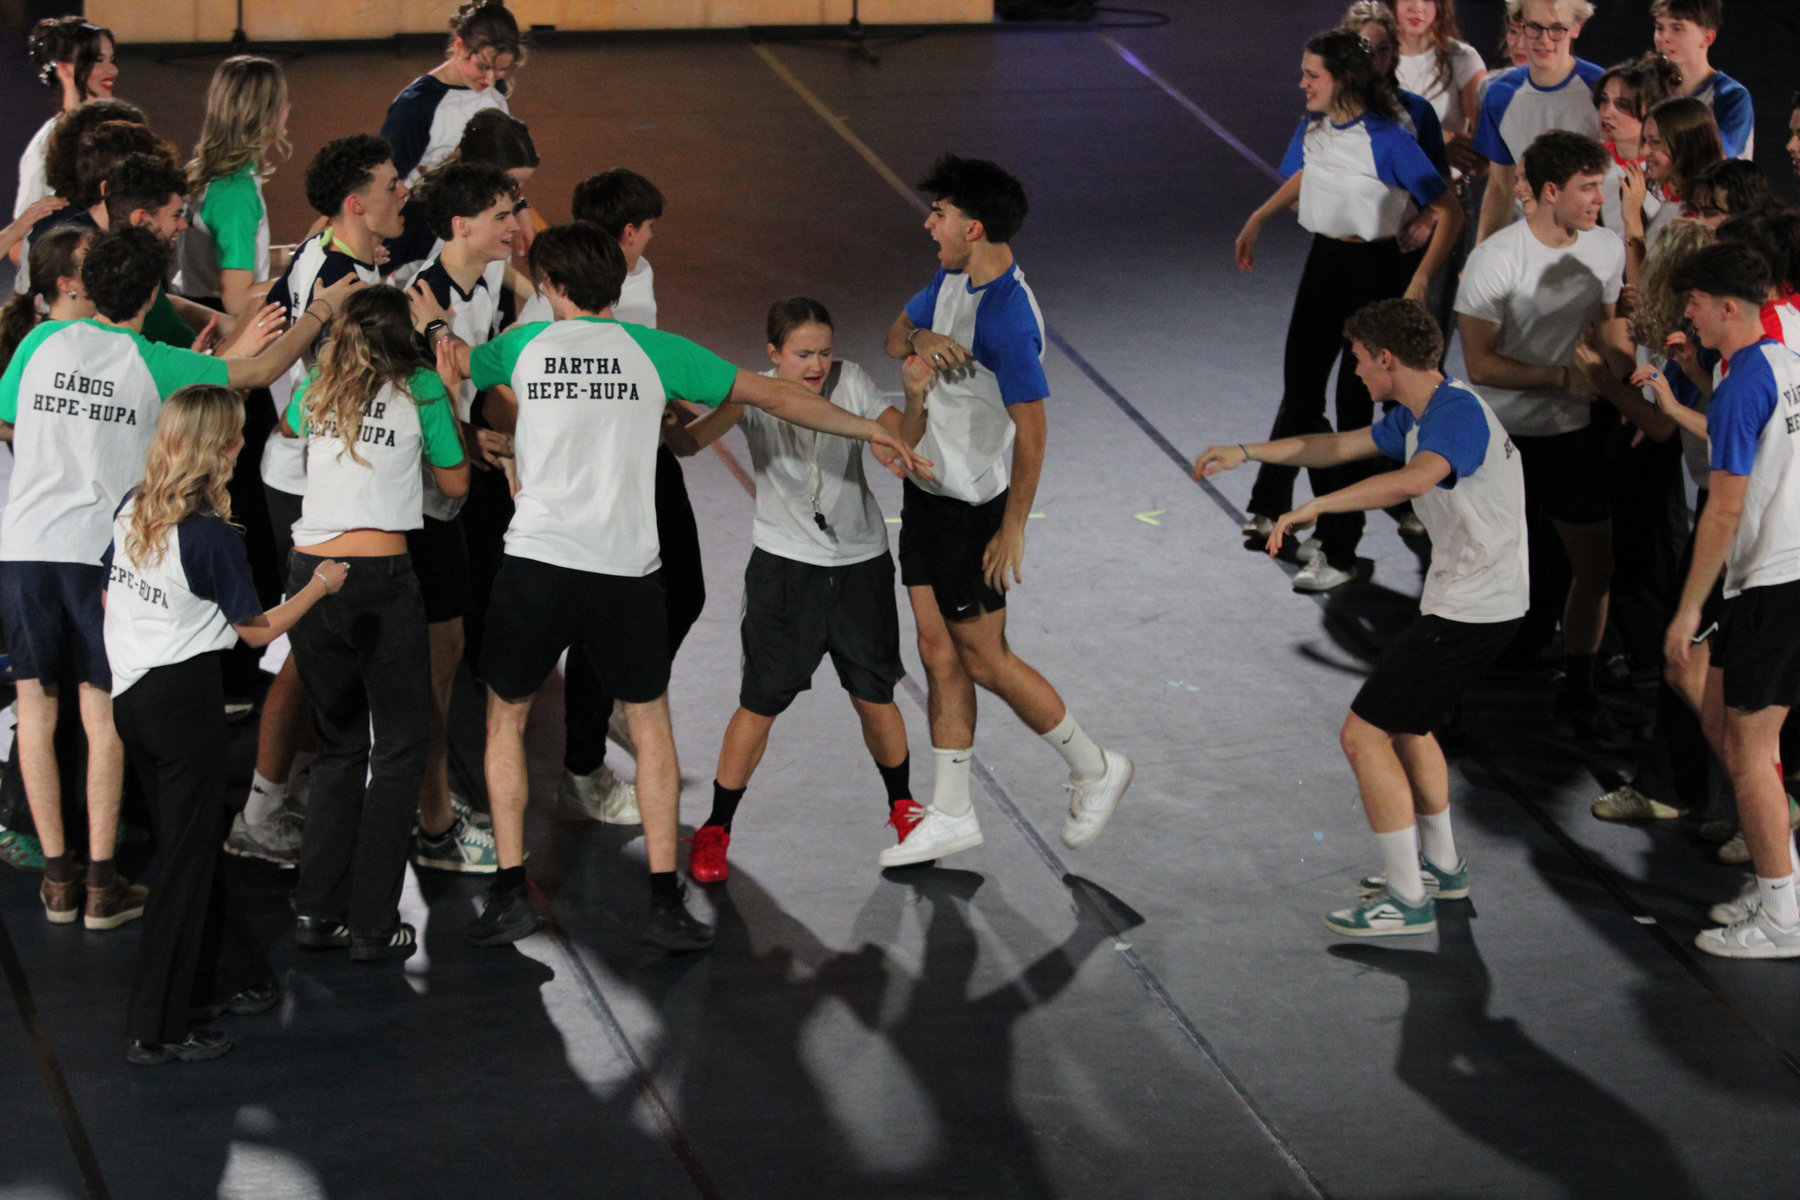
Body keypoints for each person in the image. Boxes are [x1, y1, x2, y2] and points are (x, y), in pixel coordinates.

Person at [430, 221, 927, 950]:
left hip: (538, 562)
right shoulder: (658, 352)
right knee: (651, 726)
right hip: (626, 570)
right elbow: (778, 396)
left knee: (506, 720)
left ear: (555, 288)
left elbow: (455, 360)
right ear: (614, 282)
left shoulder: (522, 345)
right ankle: (664, 901)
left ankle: (509, 891)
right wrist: (870, 430)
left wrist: (436, 331)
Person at [0, 224, 351, 928]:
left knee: (35, 713)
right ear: (153, 293)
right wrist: (322, 310)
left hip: (24, 549)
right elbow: (261, 371)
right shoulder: (153, 361)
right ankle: (103, 883)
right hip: (96, 554)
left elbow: (9, 421)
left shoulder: (39, 342)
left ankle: (58, 880)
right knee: (101, 714)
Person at [1194, 298, 1527, 936]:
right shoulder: (1421, 411)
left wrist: (1315, 509)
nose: (1354, 372)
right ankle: (1442, 869)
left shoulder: (1454, 418)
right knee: (1409, 725)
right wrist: (1247, 451)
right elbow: (1334, 446)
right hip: (1468, 600)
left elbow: (1413, 482)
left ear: (1386, 359)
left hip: (1474, 610)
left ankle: (1406, 899)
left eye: (1358, 360)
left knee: (1362, 735)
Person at [878, 153, 1133, 868]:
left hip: (969, 511)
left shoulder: (1008, 319)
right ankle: (953, 812)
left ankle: (1094, 766)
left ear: (973, 227)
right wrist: (923, 338)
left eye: (940, 214)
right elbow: (895, 336)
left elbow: (1034, 430)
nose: (929, 224)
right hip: (927, 492)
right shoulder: (948, 278)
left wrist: (1013, 525)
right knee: (937, 653)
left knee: (986, 661)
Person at [103, 386, 347, 1064]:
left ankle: (229, 975)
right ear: (216, 447)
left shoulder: (134, 506)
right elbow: (257, 631)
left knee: (190, 846)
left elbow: (109, 593)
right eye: (236, 435)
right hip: (182, 705)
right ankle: (158, 1027)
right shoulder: (209, 535)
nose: (243, 445)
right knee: (182, 866)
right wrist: (320, 585)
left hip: (133, 696)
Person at [663, 298, 916, 882]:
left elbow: (899, 436)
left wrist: (915, 401)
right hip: (785, 572)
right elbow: (690, 444)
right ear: (773, 353)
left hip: (860, 566)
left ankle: (905, 809)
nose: (817, 365)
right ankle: (716, 828)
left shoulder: (851, 381)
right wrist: (666, 411)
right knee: (759, 704)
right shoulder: (753, 392)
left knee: (874, 697)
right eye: (803, 354)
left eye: (824, 352)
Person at [1235, 29, 1464, 591]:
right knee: (1302, 400)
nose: (1302, 83)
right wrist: (1259, 217)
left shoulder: (1390, 139)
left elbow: (1450, 211)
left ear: (1342, 80)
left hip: (1375, 275)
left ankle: (1340, 548)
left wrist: (1420, 279)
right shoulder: (1316, 127)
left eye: (1312, 74)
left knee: (1352, 414)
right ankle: (1336, 521)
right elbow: (1308, 173)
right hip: (1323, 267)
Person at [231, 134, 404, 865]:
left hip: (302, 474)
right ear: (356, 204)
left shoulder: (322, 250)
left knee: (320, 649)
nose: (404, 193)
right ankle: (261, 810)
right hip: (313, 484)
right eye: (392, 185)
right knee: (309, 651)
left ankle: (291, 790)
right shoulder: (346, 283)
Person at [284, 285, 468, 963]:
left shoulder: (319, 383)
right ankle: (371, 923)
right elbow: (455, 484)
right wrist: (448, 401)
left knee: (338, 746)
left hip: (310, 574)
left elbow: (290, 431)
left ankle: (315, 911)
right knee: (398, 749)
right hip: (381, 581)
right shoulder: (421, 387)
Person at [1455, 131, 1630, 734]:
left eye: (1601, 187)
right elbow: (1480, 365)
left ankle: (1579, 691)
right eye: (1588, 188)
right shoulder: (1495, 260)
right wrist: (1562, 378)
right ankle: (1447, 693)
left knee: (1595, 567)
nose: (1599, 200)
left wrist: (1634, 381)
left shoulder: (1606, 249)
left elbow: (1606, 333)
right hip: (1500, 439)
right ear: (1550, 191)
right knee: (1481, 571)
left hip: (1572, 435)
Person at [1663, 242, 1800, 960]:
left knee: (1750, 751)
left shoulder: (1746, 383)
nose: (1687, 313)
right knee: (1723, 717)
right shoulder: (1782, 364)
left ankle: (1782, 919)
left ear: (1727, 306)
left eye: (1693, 301)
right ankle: (1783, 887)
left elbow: (1722, 510)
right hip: (1785, 578)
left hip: (1773, 584)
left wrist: (1689, 609)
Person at [397, 162, 523, 876]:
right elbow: (415, 405)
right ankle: (434, 823)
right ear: (460, 226)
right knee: (434, 667)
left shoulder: (487, 282)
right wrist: (470, 437)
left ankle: (432, 806)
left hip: (454, 499)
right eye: (502, 214)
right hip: (420, 509)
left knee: (448, 657)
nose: (515, 226)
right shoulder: (423, 299)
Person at [552, 168, 680, 823]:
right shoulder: (562, 302)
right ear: (627, 233)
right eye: (649, 228)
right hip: (598, 474)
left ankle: (619, 695)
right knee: (597, 617)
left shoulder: (639, 275)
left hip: (646, 455)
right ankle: (583, 767)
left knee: (684, 591)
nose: (653, 239)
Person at [1472, 0, 1603, 244]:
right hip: (1529, 245)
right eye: (1534, 27)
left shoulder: (1601, 90)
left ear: (1576, 27)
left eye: (1557, 29)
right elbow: (1500, 188)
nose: (1544, 40)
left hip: (1594, 242)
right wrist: (1481, 253)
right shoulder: (1500, 95)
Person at [175, 55, 291, 320]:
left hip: (199, 318)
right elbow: (237, 300)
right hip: (220, 330)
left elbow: (235, 259)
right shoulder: (236, 192)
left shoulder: (209, 174)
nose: (288, 108)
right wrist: (308, 277)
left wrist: (300, 254)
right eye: (281, 101)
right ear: (263, 114)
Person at [379, 0, 524, 189]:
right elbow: (384, 184)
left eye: (501, 69)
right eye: (482, 67)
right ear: (459, 47)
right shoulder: (414, 107)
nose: (490, 80)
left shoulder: (496, 87)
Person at [14, 17, 115, 223]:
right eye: (98, 60)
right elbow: (24, 234)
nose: (113, 70)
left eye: (111, 60)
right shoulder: (47, 145)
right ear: (66, 69)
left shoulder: (118, 130)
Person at [1622, 97, 1723, 287]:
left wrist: (1632, 218)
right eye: (1645, 141)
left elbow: (1645, 290)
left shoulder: (1700, 217)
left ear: (1686, 146)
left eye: (1656, 142)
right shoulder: (1673, 201)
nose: (1645, 151)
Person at [1591, 54, 1681, 237]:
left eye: (1622, 105)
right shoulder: (1590, 161)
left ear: (1651, 111)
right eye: (1604, 100)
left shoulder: (1669, 171)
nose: (1606, 113)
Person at [1650, 0, 1754, 160]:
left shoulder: (1731, 96)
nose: (1664, 38)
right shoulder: (1652, 89)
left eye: (1677, 28)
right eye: (1659, 28)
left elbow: (1716, 155)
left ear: (1707, 38)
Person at [1389, 0, 1487, 151]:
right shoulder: (1374, 58)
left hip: (1441, 166)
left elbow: (1488, 136)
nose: (1417, 7)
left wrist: (1451, 145)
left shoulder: (1462, 58)